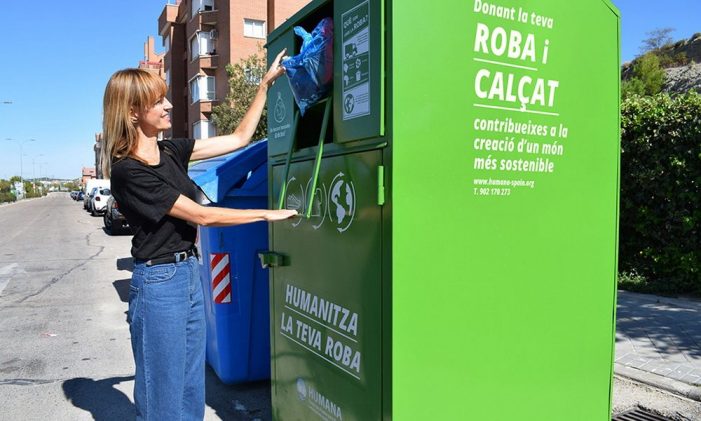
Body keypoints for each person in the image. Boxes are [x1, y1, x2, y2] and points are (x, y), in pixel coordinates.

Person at [100, 49, 296, 420]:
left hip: (189, 272)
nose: (170, 105)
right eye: (158, 101)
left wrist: (264, 87)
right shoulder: (128, 172)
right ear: (132, 113)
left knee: (191, 389)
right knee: (163, 398)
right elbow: (203, 216)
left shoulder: (171, 151)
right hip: (159, 283)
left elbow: (239, 138)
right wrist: (267, 214)